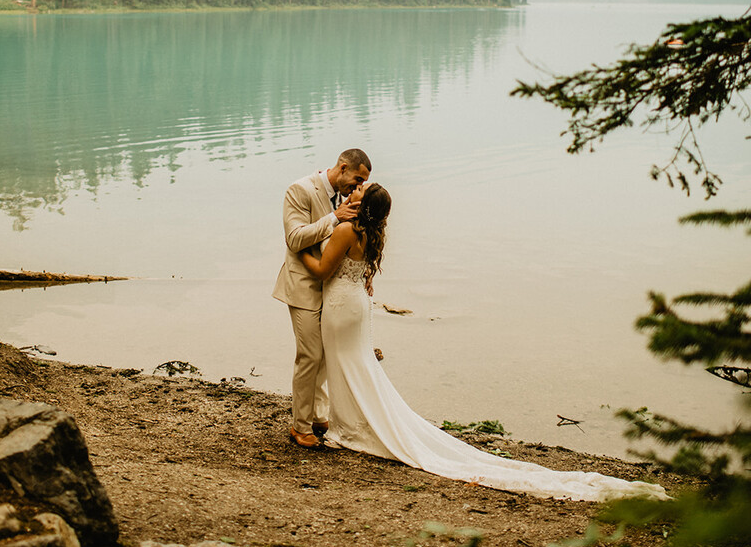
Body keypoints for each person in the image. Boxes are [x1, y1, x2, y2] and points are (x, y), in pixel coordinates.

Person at [299, 182, 668, 502]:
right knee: (357, 365)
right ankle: (348, 423)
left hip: (340, 306)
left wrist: (297, 248)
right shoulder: (369, 233)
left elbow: (322, 270)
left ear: (362, 205)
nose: (353, 192)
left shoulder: (346, 231)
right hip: (355, 305)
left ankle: (349, 428)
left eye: (359, 191)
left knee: (347, 365)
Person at [273, 149, 372, 449]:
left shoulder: (346, 197)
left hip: (332, 288)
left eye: (362, 183)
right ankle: (300, 426)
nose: (358, 188)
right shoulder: (300, 190)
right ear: (343, 168)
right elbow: (294, 239)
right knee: (310, 356)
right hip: (303, 285)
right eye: (357, 180)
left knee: (326, 355)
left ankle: (318, 415)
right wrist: (334, 217)